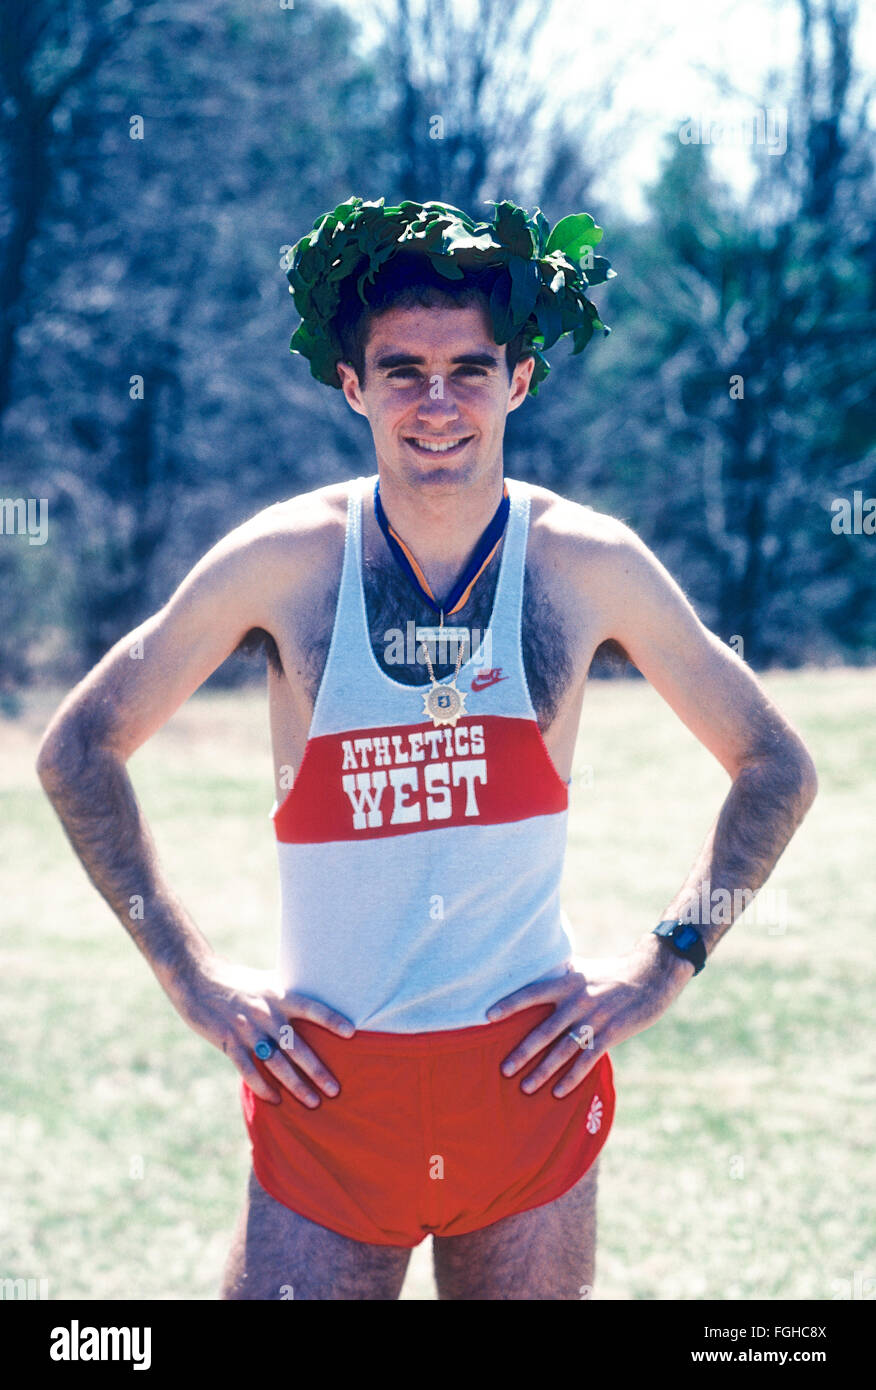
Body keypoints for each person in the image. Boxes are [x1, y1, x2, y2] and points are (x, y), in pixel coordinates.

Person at [36, 197, 818, 1301]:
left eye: (470, 369)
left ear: (521, 380)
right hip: (329, 1105)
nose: (437, 401)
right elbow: (79, 750)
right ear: (351, 385)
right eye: (402, 370)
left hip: (524, 1100)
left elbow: (776, 765)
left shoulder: (589, 564)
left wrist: (663, 965)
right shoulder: (286, 559)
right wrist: (189, 971)